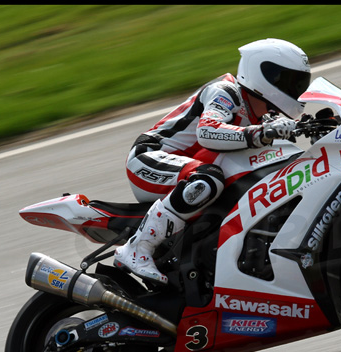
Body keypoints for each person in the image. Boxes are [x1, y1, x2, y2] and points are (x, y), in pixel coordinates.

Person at [114, 38, 311, 283]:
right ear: (265, 75)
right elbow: (207, 132)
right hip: (148, 158)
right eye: (289, 81)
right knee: (208, 179)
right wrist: (260, 133)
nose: (295, 90)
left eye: (300, 83)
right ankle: (137, 248)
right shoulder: (225, 92)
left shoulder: (263, 112)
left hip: (189, 164)